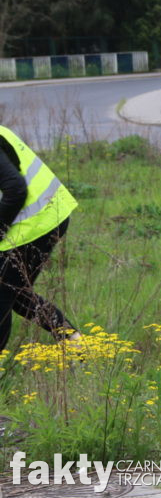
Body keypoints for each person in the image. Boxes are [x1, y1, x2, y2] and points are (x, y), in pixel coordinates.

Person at [0, 126, 80, 353]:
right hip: (45, 215)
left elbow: (16, 190)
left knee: (3, 292)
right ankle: (76, 343)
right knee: (18, 294)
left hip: (37, 222)